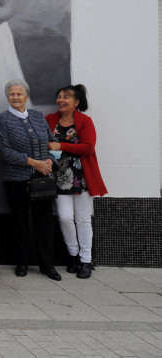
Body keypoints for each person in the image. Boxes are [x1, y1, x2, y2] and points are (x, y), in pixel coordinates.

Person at [0, 79, 60, 280]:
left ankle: (46, 265)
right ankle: (21, 262)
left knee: (44, 222)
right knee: (19, 221)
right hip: (16, 179)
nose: (15, 97)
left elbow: (54, 143)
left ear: (26, 96)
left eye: (19, 94)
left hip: (42, 178)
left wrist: (48, 161)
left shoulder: (38, 116)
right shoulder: (2, 119)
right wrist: (34, 162)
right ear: (7, 97)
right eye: (12, 94)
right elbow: (4, 151)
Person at [46, 84, 108, 279]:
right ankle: (73, 255)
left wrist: (61, 145)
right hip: (59, 178)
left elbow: (88, 148)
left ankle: (86, 260)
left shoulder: (85, 121)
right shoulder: (49, 120)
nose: (61, 100)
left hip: (82, 177)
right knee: (64, 217)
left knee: (83, 219)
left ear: (76, 102)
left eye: (66, 97)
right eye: (59, 96)